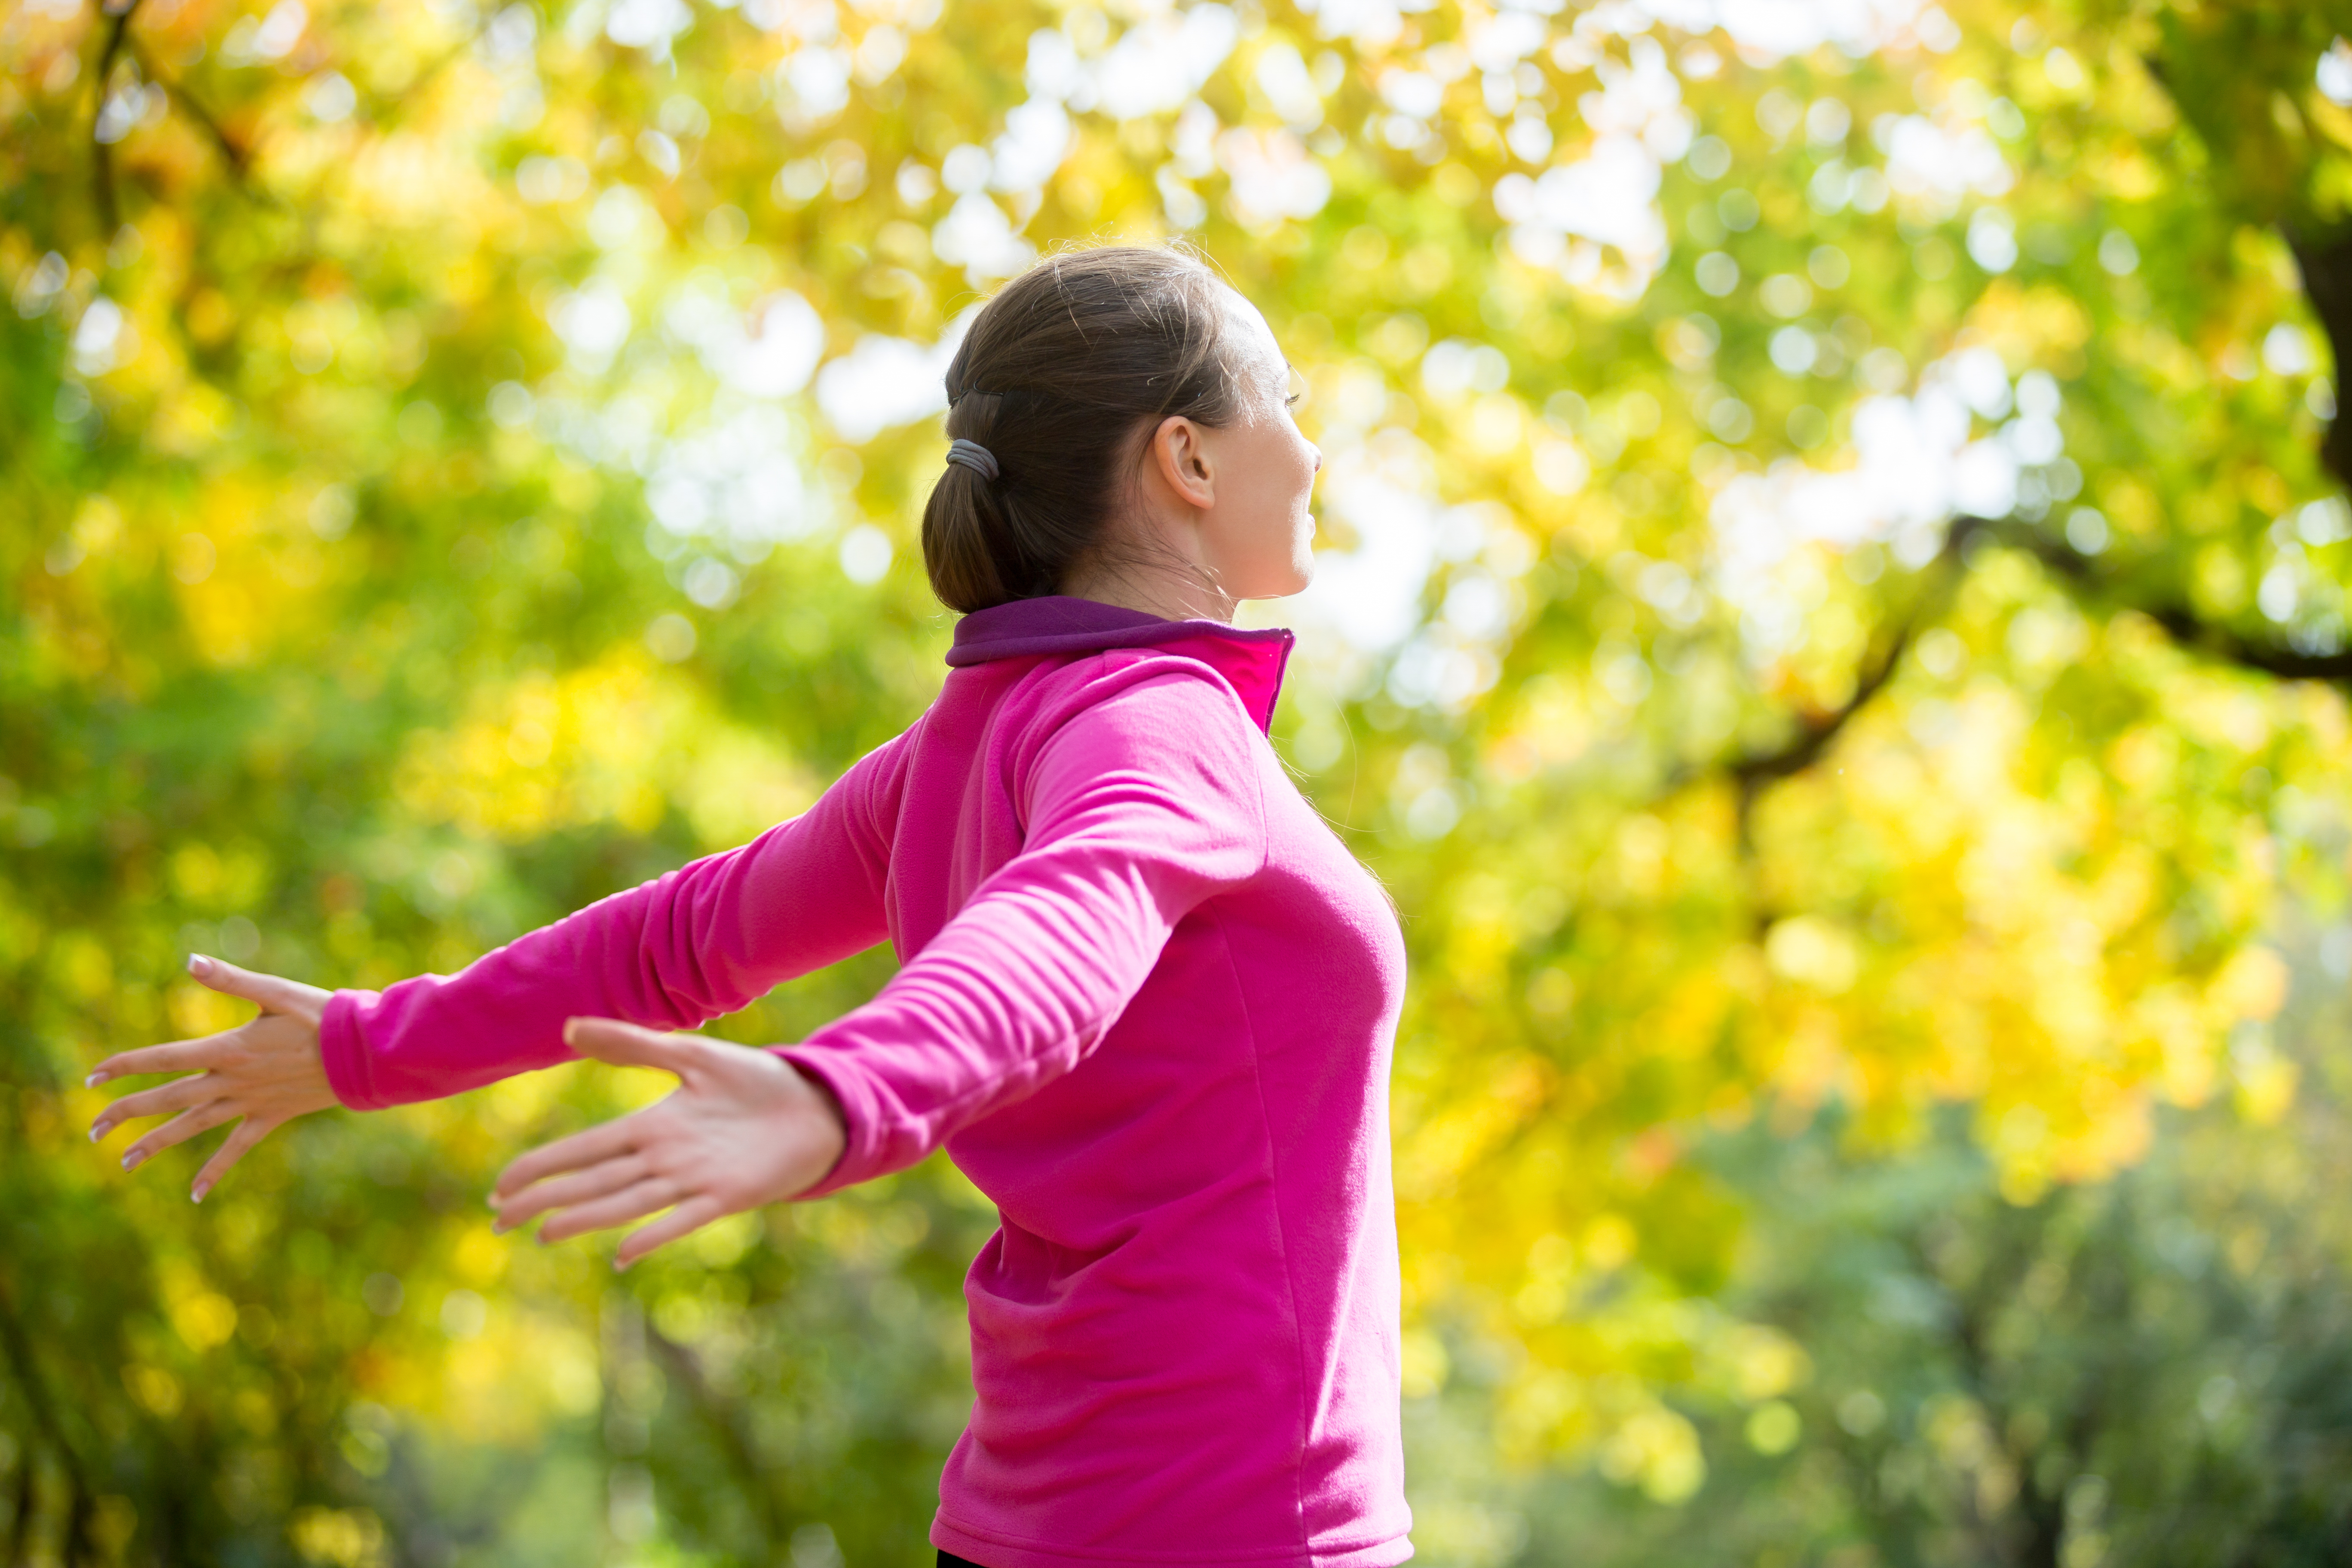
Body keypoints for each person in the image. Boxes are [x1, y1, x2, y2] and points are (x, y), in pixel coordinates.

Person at [88, 245, 1412, 1568]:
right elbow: (1067, 923)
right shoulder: (1159, 720)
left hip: (1029, 1523)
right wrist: (841, 1093)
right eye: (1283, 400)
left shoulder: (978, 739)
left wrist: (366, 1046)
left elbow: (680, 942)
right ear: (1187, 458)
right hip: (1237, 1528)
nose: (1309, 447)